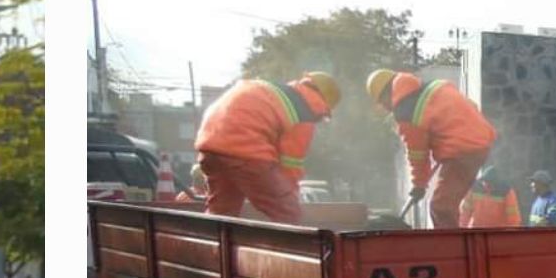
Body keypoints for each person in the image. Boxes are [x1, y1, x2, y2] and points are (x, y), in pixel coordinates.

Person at [192, 71, 339, 226]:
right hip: (246, 151)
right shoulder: (305, 110)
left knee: (221, 212)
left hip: (209, 146)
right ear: (325, 104)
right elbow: (290, 166)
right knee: (289, 213)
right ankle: (292, 249)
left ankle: (212, 247)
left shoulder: (273, 91)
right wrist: (288, 196)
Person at [367, 68, 499, 229]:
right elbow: (470, 106)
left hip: (463, 151)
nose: (387, 108)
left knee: (441, 207)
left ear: (386, 95)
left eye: (383, 103)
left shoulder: (406, 111)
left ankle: (450, 249)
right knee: (445, 204)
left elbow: (417, 155)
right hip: (478, 141)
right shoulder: (435, 86)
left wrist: (418, 184)